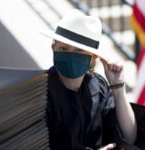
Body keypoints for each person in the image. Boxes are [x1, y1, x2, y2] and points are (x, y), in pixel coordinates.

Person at [41, 9, 137, 150]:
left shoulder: (99, 86)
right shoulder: (40, 93)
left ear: (92, 57)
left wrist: (118, 88)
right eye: (63, 48)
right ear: (53, 47)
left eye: (79, 50)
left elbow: (129, 138)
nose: (70, 54)